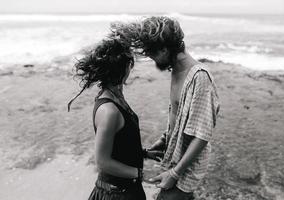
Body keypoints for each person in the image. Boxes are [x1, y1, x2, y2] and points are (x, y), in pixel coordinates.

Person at [111, 16, 220, 200]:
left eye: (151, 54)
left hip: (187, 167)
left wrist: (175, 173)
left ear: (164, 49)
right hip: (176, 157)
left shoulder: (200, 78)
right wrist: (165, 139)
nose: (152, 59)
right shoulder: (176, 70)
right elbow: (178, 115)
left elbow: (202, 136)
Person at [68, 38, 163, 200]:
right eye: (130, 65)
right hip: (115, 194)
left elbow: (119, 145)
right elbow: (103, 162)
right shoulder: (109, 110)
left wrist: (145, 154)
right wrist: (142, 173)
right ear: (124, 68)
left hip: (126, 189)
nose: (131, 69)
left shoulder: (116, 97)